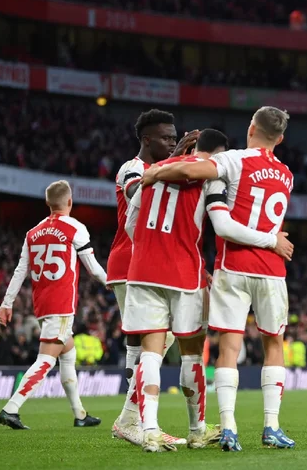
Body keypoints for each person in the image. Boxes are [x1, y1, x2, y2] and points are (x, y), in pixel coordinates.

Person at [142, 106, 296, 451]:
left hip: (234, 267)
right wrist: (272, 241)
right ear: (281, 138)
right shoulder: (286, 175)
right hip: (272, 270)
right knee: (274, 345)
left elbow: (191, 169)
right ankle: (271, 426)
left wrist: (156, 173)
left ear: (251, 127)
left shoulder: (236, 160)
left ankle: (228, 427)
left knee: (229, 347)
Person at [110, 108, 197, 445]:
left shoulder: (168, 170)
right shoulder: (133, 169)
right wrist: (174, 160)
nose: (173, 142)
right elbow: (139, 196)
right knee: (154, 342)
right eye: (166, 138)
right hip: (131, 263)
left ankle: (132, 420)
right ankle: (135, 422)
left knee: (155, 343)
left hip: (154, 266)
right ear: (146, 140)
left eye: (175, 137)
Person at [0, 180, 106, 430]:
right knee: (46, 360)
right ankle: (11, 408)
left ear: (47, 203)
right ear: (69, 202)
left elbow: (20, 270)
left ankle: (80, 415)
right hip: (62, 303)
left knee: (68, 354)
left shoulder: (32, 232)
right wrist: (110, 282)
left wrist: (7, 303)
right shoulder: (75, 228)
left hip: (42, 303)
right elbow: (92, 268)